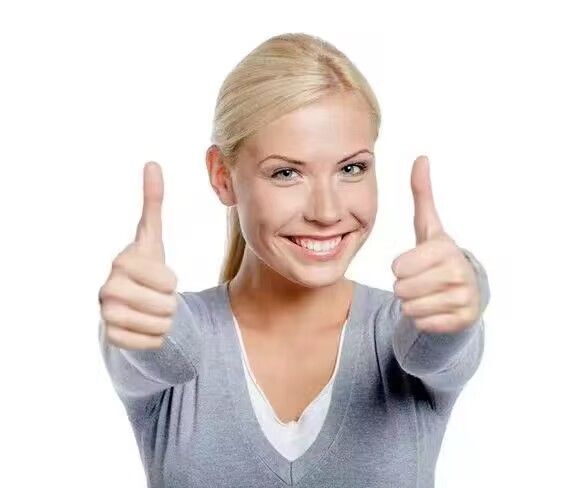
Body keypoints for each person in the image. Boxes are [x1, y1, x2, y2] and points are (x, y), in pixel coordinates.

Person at [97, 32, 490, 488]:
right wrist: (137, 318)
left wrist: (465, 286)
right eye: (286, 173)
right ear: (222, 177)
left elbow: (441, 342)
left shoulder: (403, 328)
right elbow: (157, 351)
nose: (326, 212)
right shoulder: (177, 328)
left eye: (351, 169)